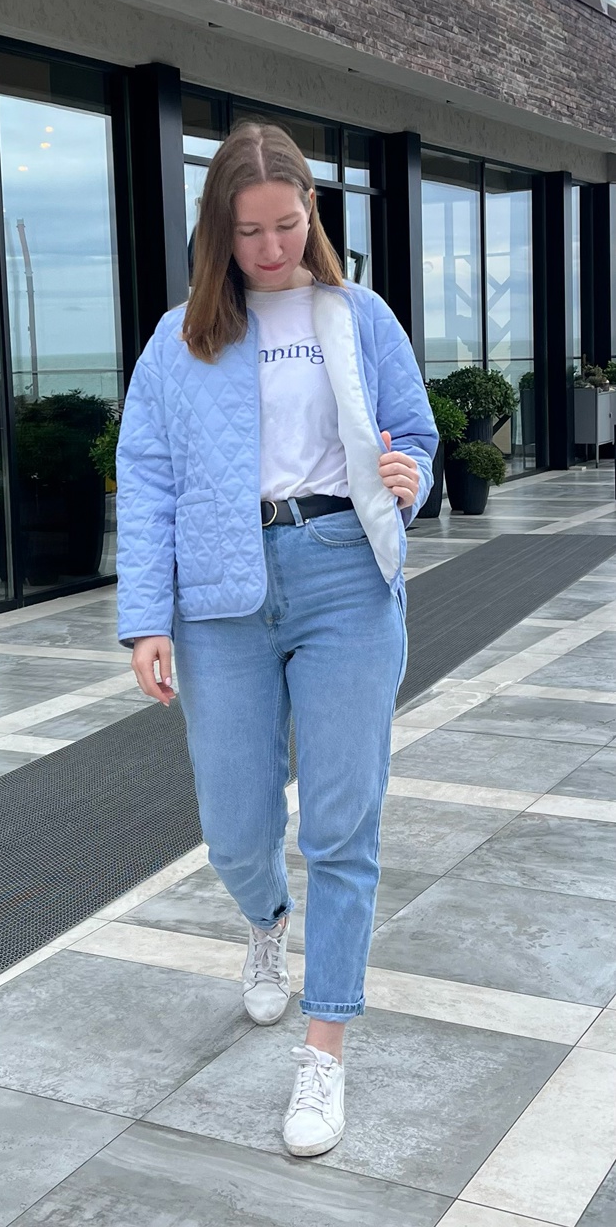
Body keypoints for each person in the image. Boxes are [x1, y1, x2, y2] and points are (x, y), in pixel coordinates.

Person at [115, 121, 438, 1158]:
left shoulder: (359, 315)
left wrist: (409, 476)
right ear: (219, 229)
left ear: (311, 213)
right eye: (248, 230)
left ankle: (324, 1046)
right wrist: (145, 616)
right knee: (233, 827)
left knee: (342, 825)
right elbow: (148, 478)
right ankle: (265, 920)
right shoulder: (180, 338)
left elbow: (412, 432)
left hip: (344, 574)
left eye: (286, 224)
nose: (269, 247)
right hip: (220, 593)